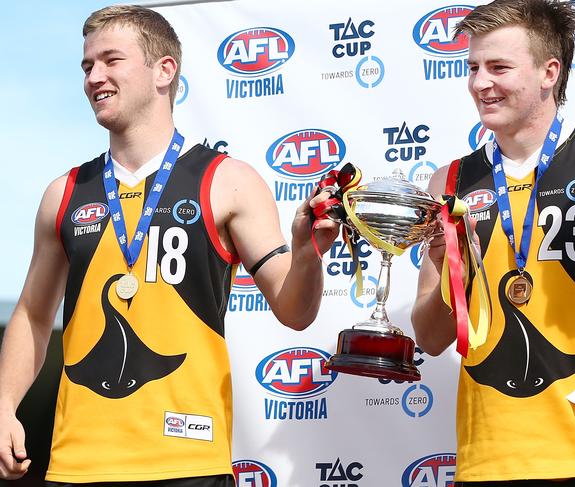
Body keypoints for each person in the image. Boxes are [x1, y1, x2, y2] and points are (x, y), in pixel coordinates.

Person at [0, 5, 338, 486]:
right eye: (87, 65)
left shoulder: (227, 181)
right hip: (79, 464)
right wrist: (4, 406)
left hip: (188, 462)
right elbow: (34, 314)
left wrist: (306, 253)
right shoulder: (65, 192)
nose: (94, 76)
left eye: (111, 60)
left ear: (164, 70)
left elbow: (294, 310)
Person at [411, 0, 575, 485]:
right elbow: (431, 338)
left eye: (499, 67)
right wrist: (446, 270)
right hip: (488, 462)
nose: (481, 83)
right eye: (473, 67)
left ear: (549, 72)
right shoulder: (450, 183)